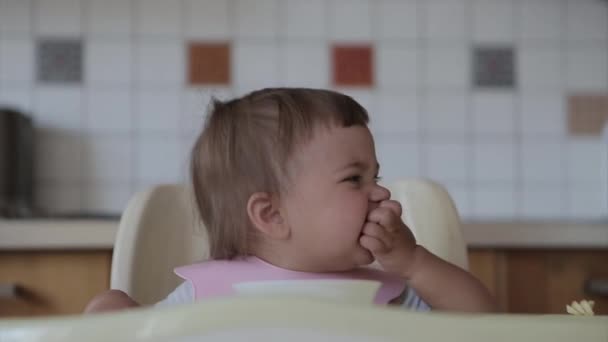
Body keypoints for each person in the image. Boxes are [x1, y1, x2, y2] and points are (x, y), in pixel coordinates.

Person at [85, 88, 497, 313]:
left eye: (377, 175)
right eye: (355, 179)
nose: (381, 193)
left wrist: (415, 262)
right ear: (272, 215)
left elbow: (484, 326)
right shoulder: (206, 297)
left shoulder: (390, 295)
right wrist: (114, 315)